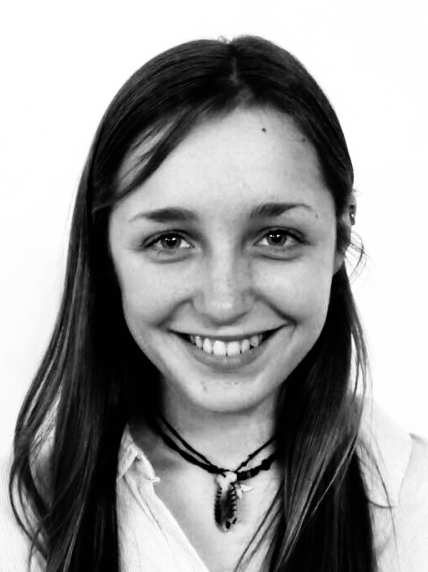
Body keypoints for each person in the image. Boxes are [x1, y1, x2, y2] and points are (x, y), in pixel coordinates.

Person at [1, 35, 427, 572]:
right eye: (170, 240)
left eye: (276, 237)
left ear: (341, 235)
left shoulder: (415, 501)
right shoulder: (20, 513)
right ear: (104, 250)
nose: (224, 302)